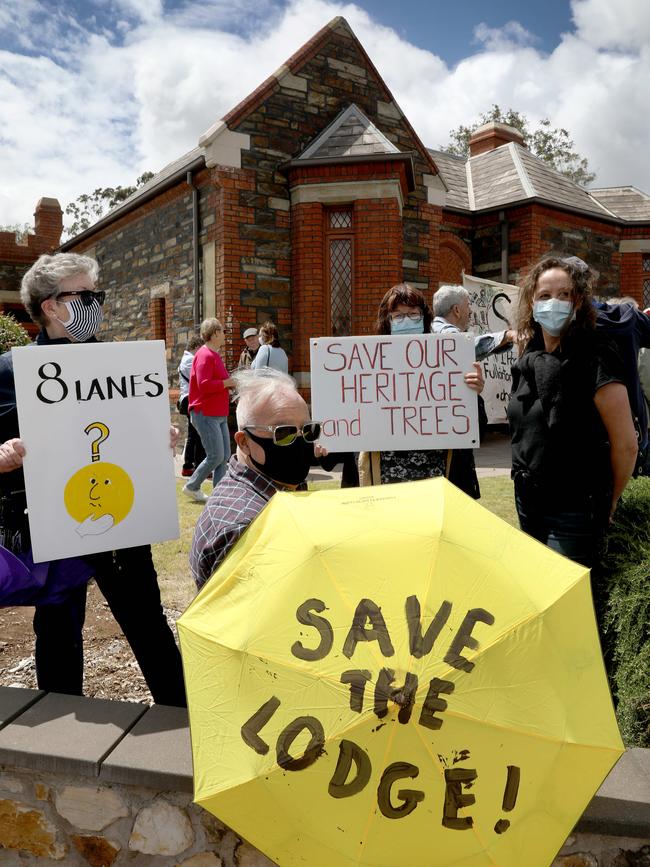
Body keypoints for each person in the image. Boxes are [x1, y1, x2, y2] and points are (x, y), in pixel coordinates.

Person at [0, 253, 186, 705]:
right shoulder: (10, 370)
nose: (96, 304)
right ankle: (64, 739)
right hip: (55, 521)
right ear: (51, 305)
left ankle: (183, 719)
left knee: (146, 620)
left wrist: (153, 435)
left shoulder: (116, 361)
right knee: (58, 628)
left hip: (121, 519)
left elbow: (125, 428)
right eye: (87, 295)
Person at [508, 254, 639, 569]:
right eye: (544, 295)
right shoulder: (529, 358)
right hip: (528, 500)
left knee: (568, 599)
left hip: (574, 507)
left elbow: (626, 444)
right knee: (536, 586)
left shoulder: (597, 355)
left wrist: (611, 498)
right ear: (532, 304)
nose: (554, 302)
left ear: (578, 301)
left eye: (564, 294)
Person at [190, 368, 326, 589]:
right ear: (244, 442)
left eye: (308, 430)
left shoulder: (279, 490)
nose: (300, 443)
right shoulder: (246, 529)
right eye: (284, 433)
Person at [358, 283, 484, 493]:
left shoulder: (449, 360)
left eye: (413, 314)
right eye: (397, 316)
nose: (406, 321)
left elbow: (476, 427)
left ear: (425, 318)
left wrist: (474, 394)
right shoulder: (367, 364)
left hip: (438, 477)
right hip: (386, 480)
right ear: (387, 322)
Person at [182, 318, 234, 503]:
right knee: (216, 455)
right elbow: (203, 385)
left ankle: (218, 496)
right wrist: (226, 383)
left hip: (218, 413)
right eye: (222, 331)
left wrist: (230, 383)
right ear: (214, 334)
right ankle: (192, 486)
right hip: (205, 413)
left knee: (224, 456)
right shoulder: (204, 355)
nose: (224, 335)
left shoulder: (215, 355)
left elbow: (220, 381)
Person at [432, 284, 515, 360]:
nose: (470, 311)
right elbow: (466, 348)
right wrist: (508, 336)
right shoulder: (447, 333)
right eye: (468, 305)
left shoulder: (433, 328)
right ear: (456, 310)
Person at [178, 334, 206, 477]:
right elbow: (198, 380)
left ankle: (190, 465)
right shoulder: (190, 360)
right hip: (190, 398)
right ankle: (195, 465)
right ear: (196, 347)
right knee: (197, 434)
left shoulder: (188, 359)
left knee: (194, 434)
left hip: (188, 398)